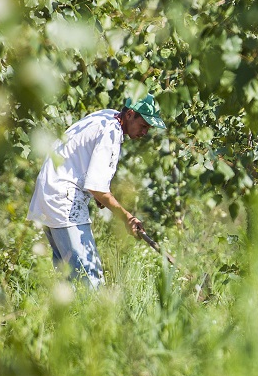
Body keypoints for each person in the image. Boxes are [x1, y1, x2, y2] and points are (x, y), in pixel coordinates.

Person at [27, 94, 166, 288]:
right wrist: (127, 217)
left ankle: (68, 318)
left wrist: (98, 193)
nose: (145, 133)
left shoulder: (106, 116)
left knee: (68, 279)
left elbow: (86, 169)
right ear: (130, 114)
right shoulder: (111, 132)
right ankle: (94, 318)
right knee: (89, 276)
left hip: (50, 192)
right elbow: (96, 186)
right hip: (63, 199)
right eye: (143, 126)